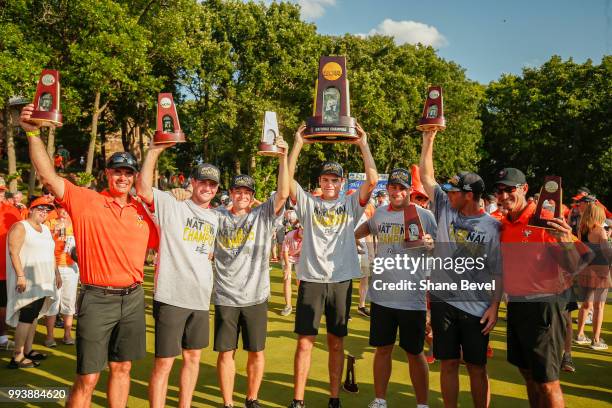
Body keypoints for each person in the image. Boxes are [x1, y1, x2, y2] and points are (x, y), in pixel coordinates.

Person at [19, 104, 158, 407]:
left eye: (127, 173)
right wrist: (32, 134)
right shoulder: (86, 200)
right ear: (107, 174)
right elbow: (48, 175)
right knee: (88, 377)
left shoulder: (143, 212)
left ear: (134, 177)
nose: (122, 178)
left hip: (133, 298)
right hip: (98, 298)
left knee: (123, 369)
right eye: (117, 171)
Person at [287, 123, 378, 408]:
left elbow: (372, 181)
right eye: (325, 180)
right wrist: (298, 145)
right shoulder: (307, 204)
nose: (329, 184)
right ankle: (298, 400)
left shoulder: (351, 204)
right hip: (312, 280)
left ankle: (334, 399)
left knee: (336, 342)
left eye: (334, 180)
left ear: (342, 184)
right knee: (305, 342)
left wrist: (363, 144)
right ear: (320, 182)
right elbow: (286, 181)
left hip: (340, 281)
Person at [420, 130, 502, 408]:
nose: (448, 194)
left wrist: (495, 307)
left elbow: (499, 271)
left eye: (454, 191)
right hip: (444, 301)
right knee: (448, 363)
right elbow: (426, 178)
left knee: (477, 367)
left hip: (477, 307)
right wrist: (428, 140)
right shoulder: (445, 208)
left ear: (468, 195)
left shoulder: (493, 227)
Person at [493, 167, 588, 408]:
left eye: (510, 190)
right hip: (516, 305)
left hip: (544, 306)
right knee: (528, 374)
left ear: (524, 189)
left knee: (548, 382)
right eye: (500, 190)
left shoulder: (544, 219)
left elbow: (576, 265)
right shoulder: (504, 224)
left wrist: (566, 240)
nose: (503, 196)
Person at [136, 143, 221, 408]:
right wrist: (153, 151)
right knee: (164, 362)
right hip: (171, 296)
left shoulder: (217, 218)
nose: (207, 188)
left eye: (213, 185)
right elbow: (142, 190)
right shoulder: (172, 203)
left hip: (199, 298)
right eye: (203, 182)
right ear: (192, 183)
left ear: (217, 189)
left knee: (193, 358)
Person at [213, 137, 289, 408]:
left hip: (256, 297)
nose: (241, 196)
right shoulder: (218, 216)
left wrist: (283, 157)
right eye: (237, 191)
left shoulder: (263, 215)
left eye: (247, 192)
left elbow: (282, 194)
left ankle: (251, 398)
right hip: (225, 297)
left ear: (252, 195)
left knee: (256, 352)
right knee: (226, 353)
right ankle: (228, 402)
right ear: (230, 193)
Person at [355, 168, 437, 408]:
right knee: (382, 350)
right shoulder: (379, 214)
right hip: (382, 297)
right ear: (388, 188)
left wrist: (432, 244)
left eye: (402, 188)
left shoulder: (423, 215)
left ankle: (422, 404)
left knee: (415, 353)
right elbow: (366, 228)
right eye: (393, 187)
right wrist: (347, 237)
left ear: (410, 190)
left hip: (412, 297)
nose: (397, 192)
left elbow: (439, 248)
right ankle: (380, 399)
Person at [6, 197, 61, 368]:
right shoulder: (20, 226)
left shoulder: (45, 229)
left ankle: (28, 350)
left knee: (34, 316)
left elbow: (50, 253)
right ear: (30, 209)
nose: (44, 213)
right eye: (40, 209)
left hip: (43, 281)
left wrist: (56, 273)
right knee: (26, 317)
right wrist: (21, 276)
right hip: (27, 282)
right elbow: (13, 252)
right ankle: (17, 356)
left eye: (46, 210)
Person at [574, 199, 611, 350]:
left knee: (585, 305)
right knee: (599, 306)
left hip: (585, 269)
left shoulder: (581, 229)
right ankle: (596, 339)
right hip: (600, 271)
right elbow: (607, 253)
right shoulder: (600, 231)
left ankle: (580, 334)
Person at [44, 205, 79, 347]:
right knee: (53, 301)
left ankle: (67, 334)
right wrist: (54, 233)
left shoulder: (75, 222)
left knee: (69, 302)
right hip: (54, 267)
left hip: (72, 267)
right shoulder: (49, 223)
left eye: (67, 209)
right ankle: (49, 336)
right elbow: (44, 244)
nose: (64, 212)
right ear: (57, 209)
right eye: (61, 209)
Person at [0, 182, 22, 351]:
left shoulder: (11, 212)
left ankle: (2, 338)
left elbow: (23, 236)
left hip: (4, 269)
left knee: (3, 304)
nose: (1, 194)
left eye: (1, 191)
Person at [281, 219, 302, 316]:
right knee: (287, 278)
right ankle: (288, 306)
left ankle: (302, 305)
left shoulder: (309, 237)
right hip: (287, 257)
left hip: (300, 257)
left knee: (301, 281)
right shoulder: (289, 235)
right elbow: (285, 252)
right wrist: (287, 268)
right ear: (299, 228)